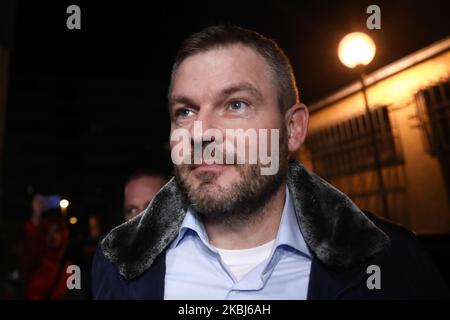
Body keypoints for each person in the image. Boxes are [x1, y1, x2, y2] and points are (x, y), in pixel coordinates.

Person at [92, 25, 449, 299]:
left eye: (236, 105)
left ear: (292, 129)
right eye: (185, 111)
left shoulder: (392, 263)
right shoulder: (114, 263)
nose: (200, 133)